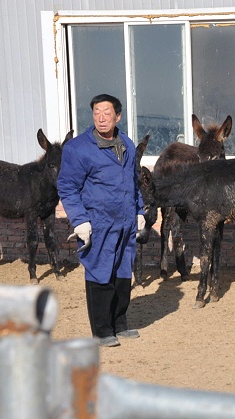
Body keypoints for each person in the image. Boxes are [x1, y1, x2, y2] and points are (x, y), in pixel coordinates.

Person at [58, 94, 146, 348]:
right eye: (97, 112)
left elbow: (134, 183)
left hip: (126, 221)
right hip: (98, 222)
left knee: (122, 272)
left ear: (117, 116)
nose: (101, 117)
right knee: (100, 270)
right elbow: (67, 187)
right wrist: (80, 220)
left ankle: (120, 323)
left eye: (107, 112)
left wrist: (139, 212)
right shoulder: (78, 148)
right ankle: (102, 330)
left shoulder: (127, 144)